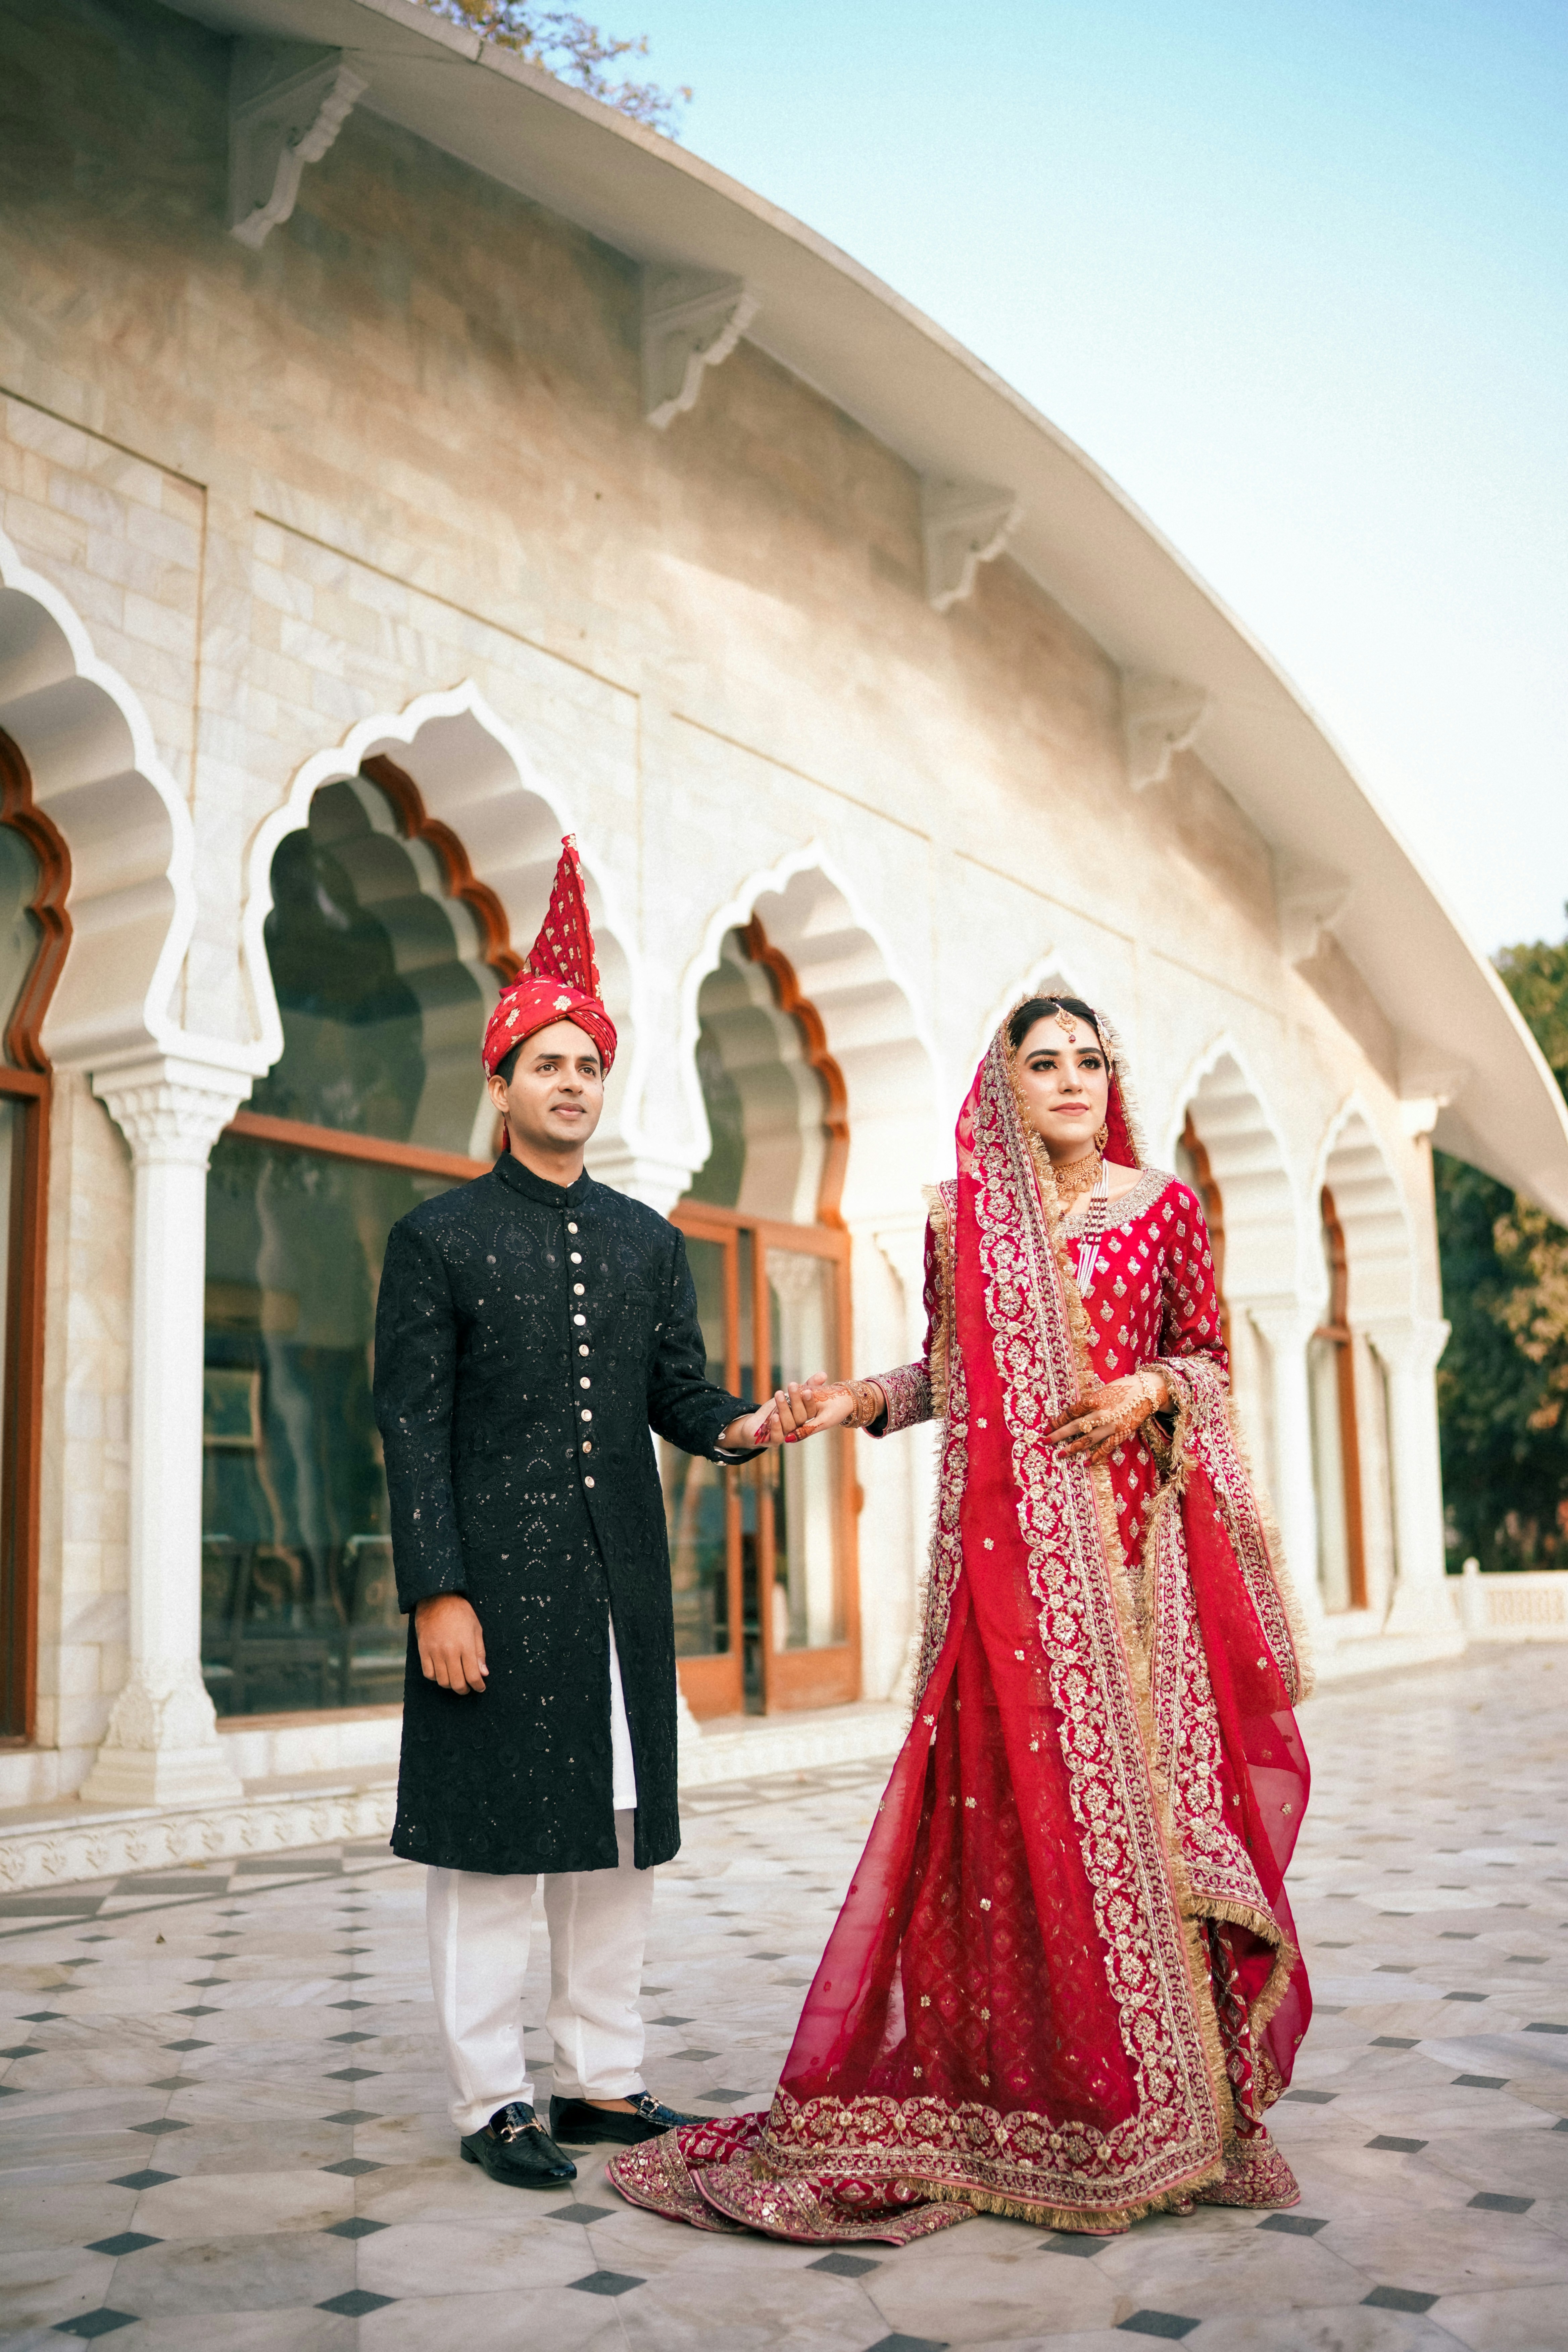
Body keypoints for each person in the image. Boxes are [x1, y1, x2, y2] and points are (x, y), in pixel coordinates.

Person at [608, 995, 1313, 2243]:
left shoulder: (1164, 1206)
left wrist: (1150, 1385)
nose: (1073, 1080)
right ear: (1007, 1085)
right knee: (1013, 1836)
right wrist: (855, 1403)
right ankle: (1020, 2101)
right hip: (1006, 1597)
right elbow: (950, 1370)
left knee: (1140, 1831)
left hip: (1135, 1585)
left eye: (1091, 1060)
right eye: (1045, 1064)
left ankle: (1168, 2111)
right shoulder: (960, 1219)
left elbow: (1206, 1356)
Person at [374, 838, 779, 2190]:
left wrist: (743, 1424)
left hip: (617, 1597)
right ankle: (496, 2100)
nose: (571, 1084)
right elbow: (411, 1423)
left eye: (589, 1065)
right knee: (490, 1861)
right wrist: (437, 1589)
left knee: (613, 1846)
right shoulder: (436, 1240)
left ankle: (602, 2084)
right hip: (488, 1595)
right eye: (545, 1063)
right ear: (498, 1086)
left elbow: (678, 1392)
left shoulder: (645, 1240)